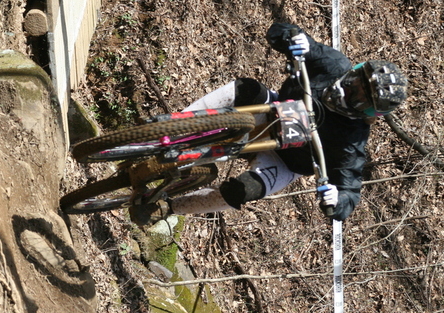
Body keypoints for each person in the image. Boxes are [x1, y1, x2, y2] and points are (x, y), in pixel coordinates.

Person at [133, 22, 408, 224]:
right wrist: (292, 37)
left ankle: (168, 208)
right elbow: (284, 33)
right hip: (271, 110)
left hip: (284, 161)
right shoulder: (334, 65)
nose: (351, 91)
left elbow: (349, 190)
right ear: (357, 71)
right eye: (358, 82)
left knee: (242, 190)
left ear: (368, 113)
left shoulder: (352, 139)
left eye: (361, 97)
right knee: (245, 89)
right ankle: (170, 129)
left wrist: (338, 203)